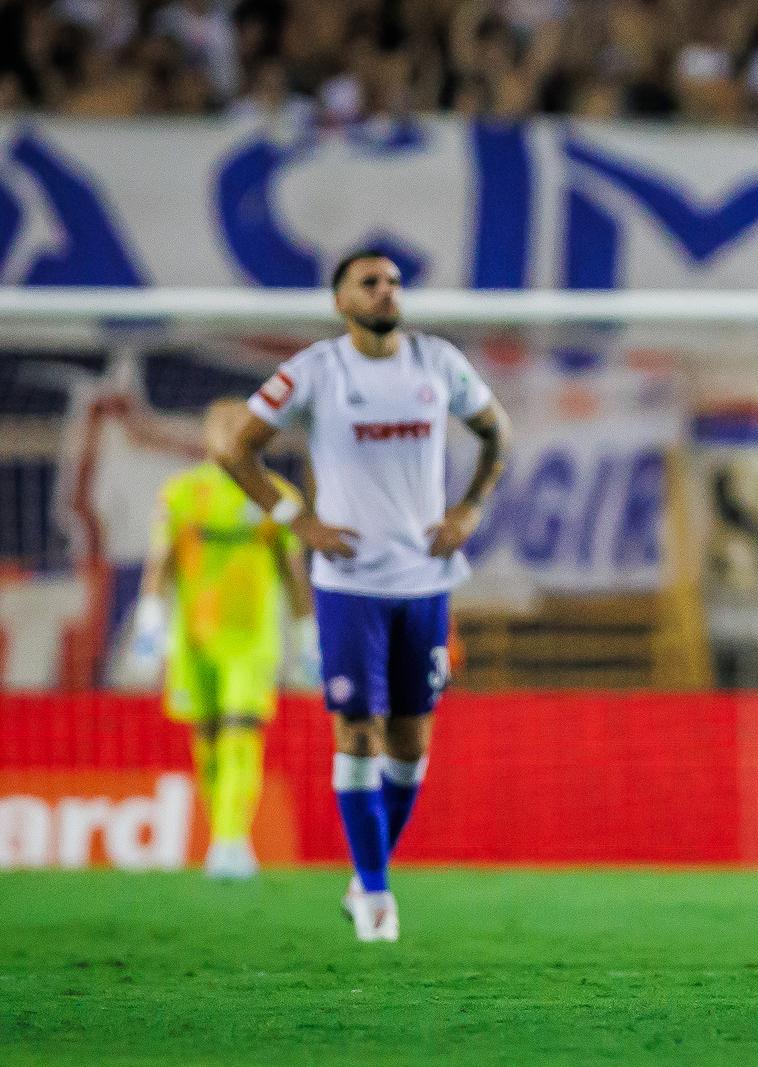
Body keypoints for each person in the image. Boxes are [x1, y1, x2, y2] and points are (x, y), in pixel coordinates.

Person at [214, 250, 510, 942]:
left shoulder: (439, 363)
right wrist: (297, 521)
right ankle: (376, 893)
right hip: (347, 583)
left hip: (425, 580)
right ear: (340, 300)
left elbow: (498, 433)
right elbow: (236, 449)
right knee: (355, 730)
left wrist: (469, 509)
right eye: (369, 282)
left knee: (409, 743)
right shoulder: (315, 370)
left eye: (394, 281)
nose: (386, 291)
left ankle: (364, 874)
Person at [125, 398, 319, 880]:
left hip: (252, 639)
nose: (233, 434)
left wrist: (305, 633)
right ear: (206, 435)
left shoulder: (275, 494)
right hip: (194, 637)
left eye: (242, 426)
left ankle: (232, 839)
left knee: (240, 729)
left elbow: (293, 571)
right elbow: (161, 560)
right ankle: (223, 834)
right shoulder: (182, 493)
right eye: (223, 426)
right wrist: (150, 619)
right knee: (208, 736)